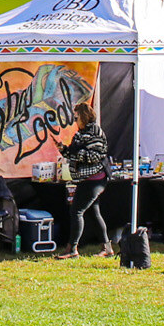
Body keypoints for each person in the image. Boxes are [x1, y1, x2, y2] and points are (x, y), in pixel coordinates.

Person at [55, 103, 114, 260]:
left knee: (77, 211)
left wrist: (76, 154)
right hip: (86, 178)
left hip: (95, 179)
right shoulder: (81, 133)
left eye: (76, 117)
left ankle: (72, 249)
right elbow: (73, 153)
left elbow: (95, 156)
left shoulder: (95, 132)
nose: (75, 121)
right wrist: (63, 149)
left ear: (84, 116)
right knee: (94, 213)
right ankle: (107, 248)